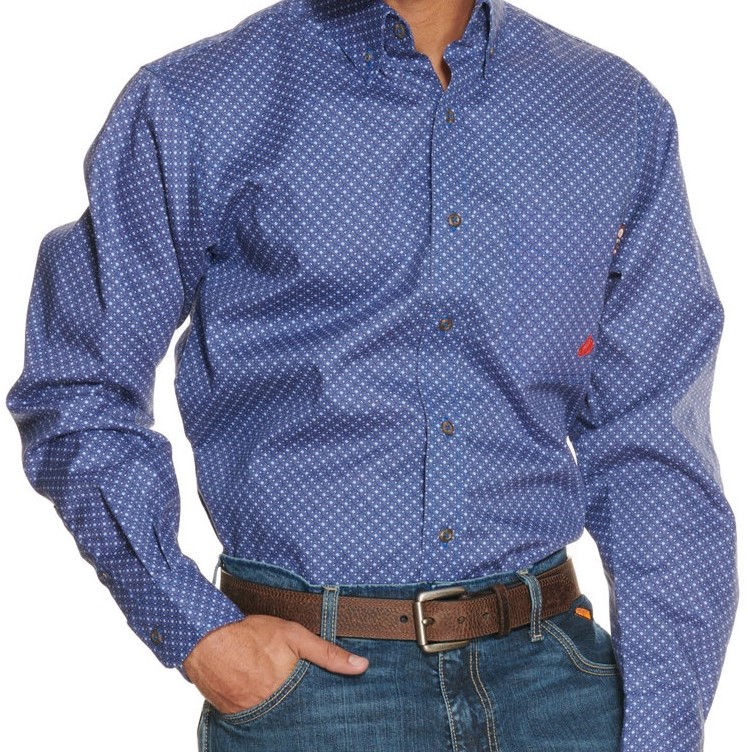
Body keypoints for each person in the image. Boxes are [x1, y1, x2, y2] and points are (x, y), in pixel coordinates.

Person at [6, 0, 738, 750]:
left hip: (560, 688)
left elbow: (653, 444)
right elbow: (77, 382)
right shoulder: (201, 101)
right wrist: (198, 633)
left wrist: (661, 731)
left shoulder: (614, 111)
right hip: (309, 697)